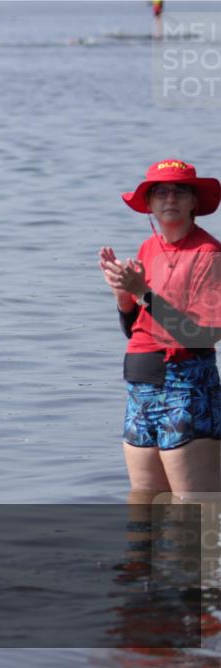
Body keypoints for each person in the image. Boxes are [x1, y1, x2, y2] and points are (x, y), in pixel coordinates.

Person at [99, 159, 221, 495]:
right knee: (144, 496)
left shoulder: (209, 253)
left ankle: (203, 550)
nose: (170, 198)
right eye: (161, 192)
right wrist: (123, 297)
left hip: (186, 386)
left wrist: (142, 292)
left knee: (196, 504)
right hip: (140, 384)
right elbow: (139, 329)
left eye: (179, 191)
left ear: (194, 201)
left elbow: (205, 335)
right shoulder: (148, 248)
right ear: (149, 204)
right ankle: (140, 551)